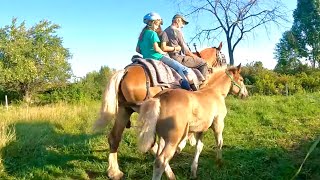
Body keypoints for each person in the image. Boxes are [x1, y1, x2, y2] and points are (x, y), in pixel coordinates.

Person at [136, 12, 197, 91]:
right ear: (153, 23)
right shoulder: (152, 33)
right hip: (157, 57)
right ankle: (188, 89)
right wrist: (163, 53)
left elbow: (137, 50)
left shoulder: (142, 35)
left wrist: (146, 53)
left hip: (146, 58)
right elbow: (156, 49)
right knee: (181, 68)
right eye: (157, 24)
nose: (158, 26)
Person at [161, 14, 208, 79]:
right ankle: (203, 86)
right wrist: (195, 57)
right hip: (178, 58)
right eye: (182, 23)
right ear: (177, 20)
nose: (182, 26)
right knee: (203, 63)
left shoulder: (165, 31)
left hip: (168, 58)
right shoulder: (177, 31)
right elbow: (186, 51)